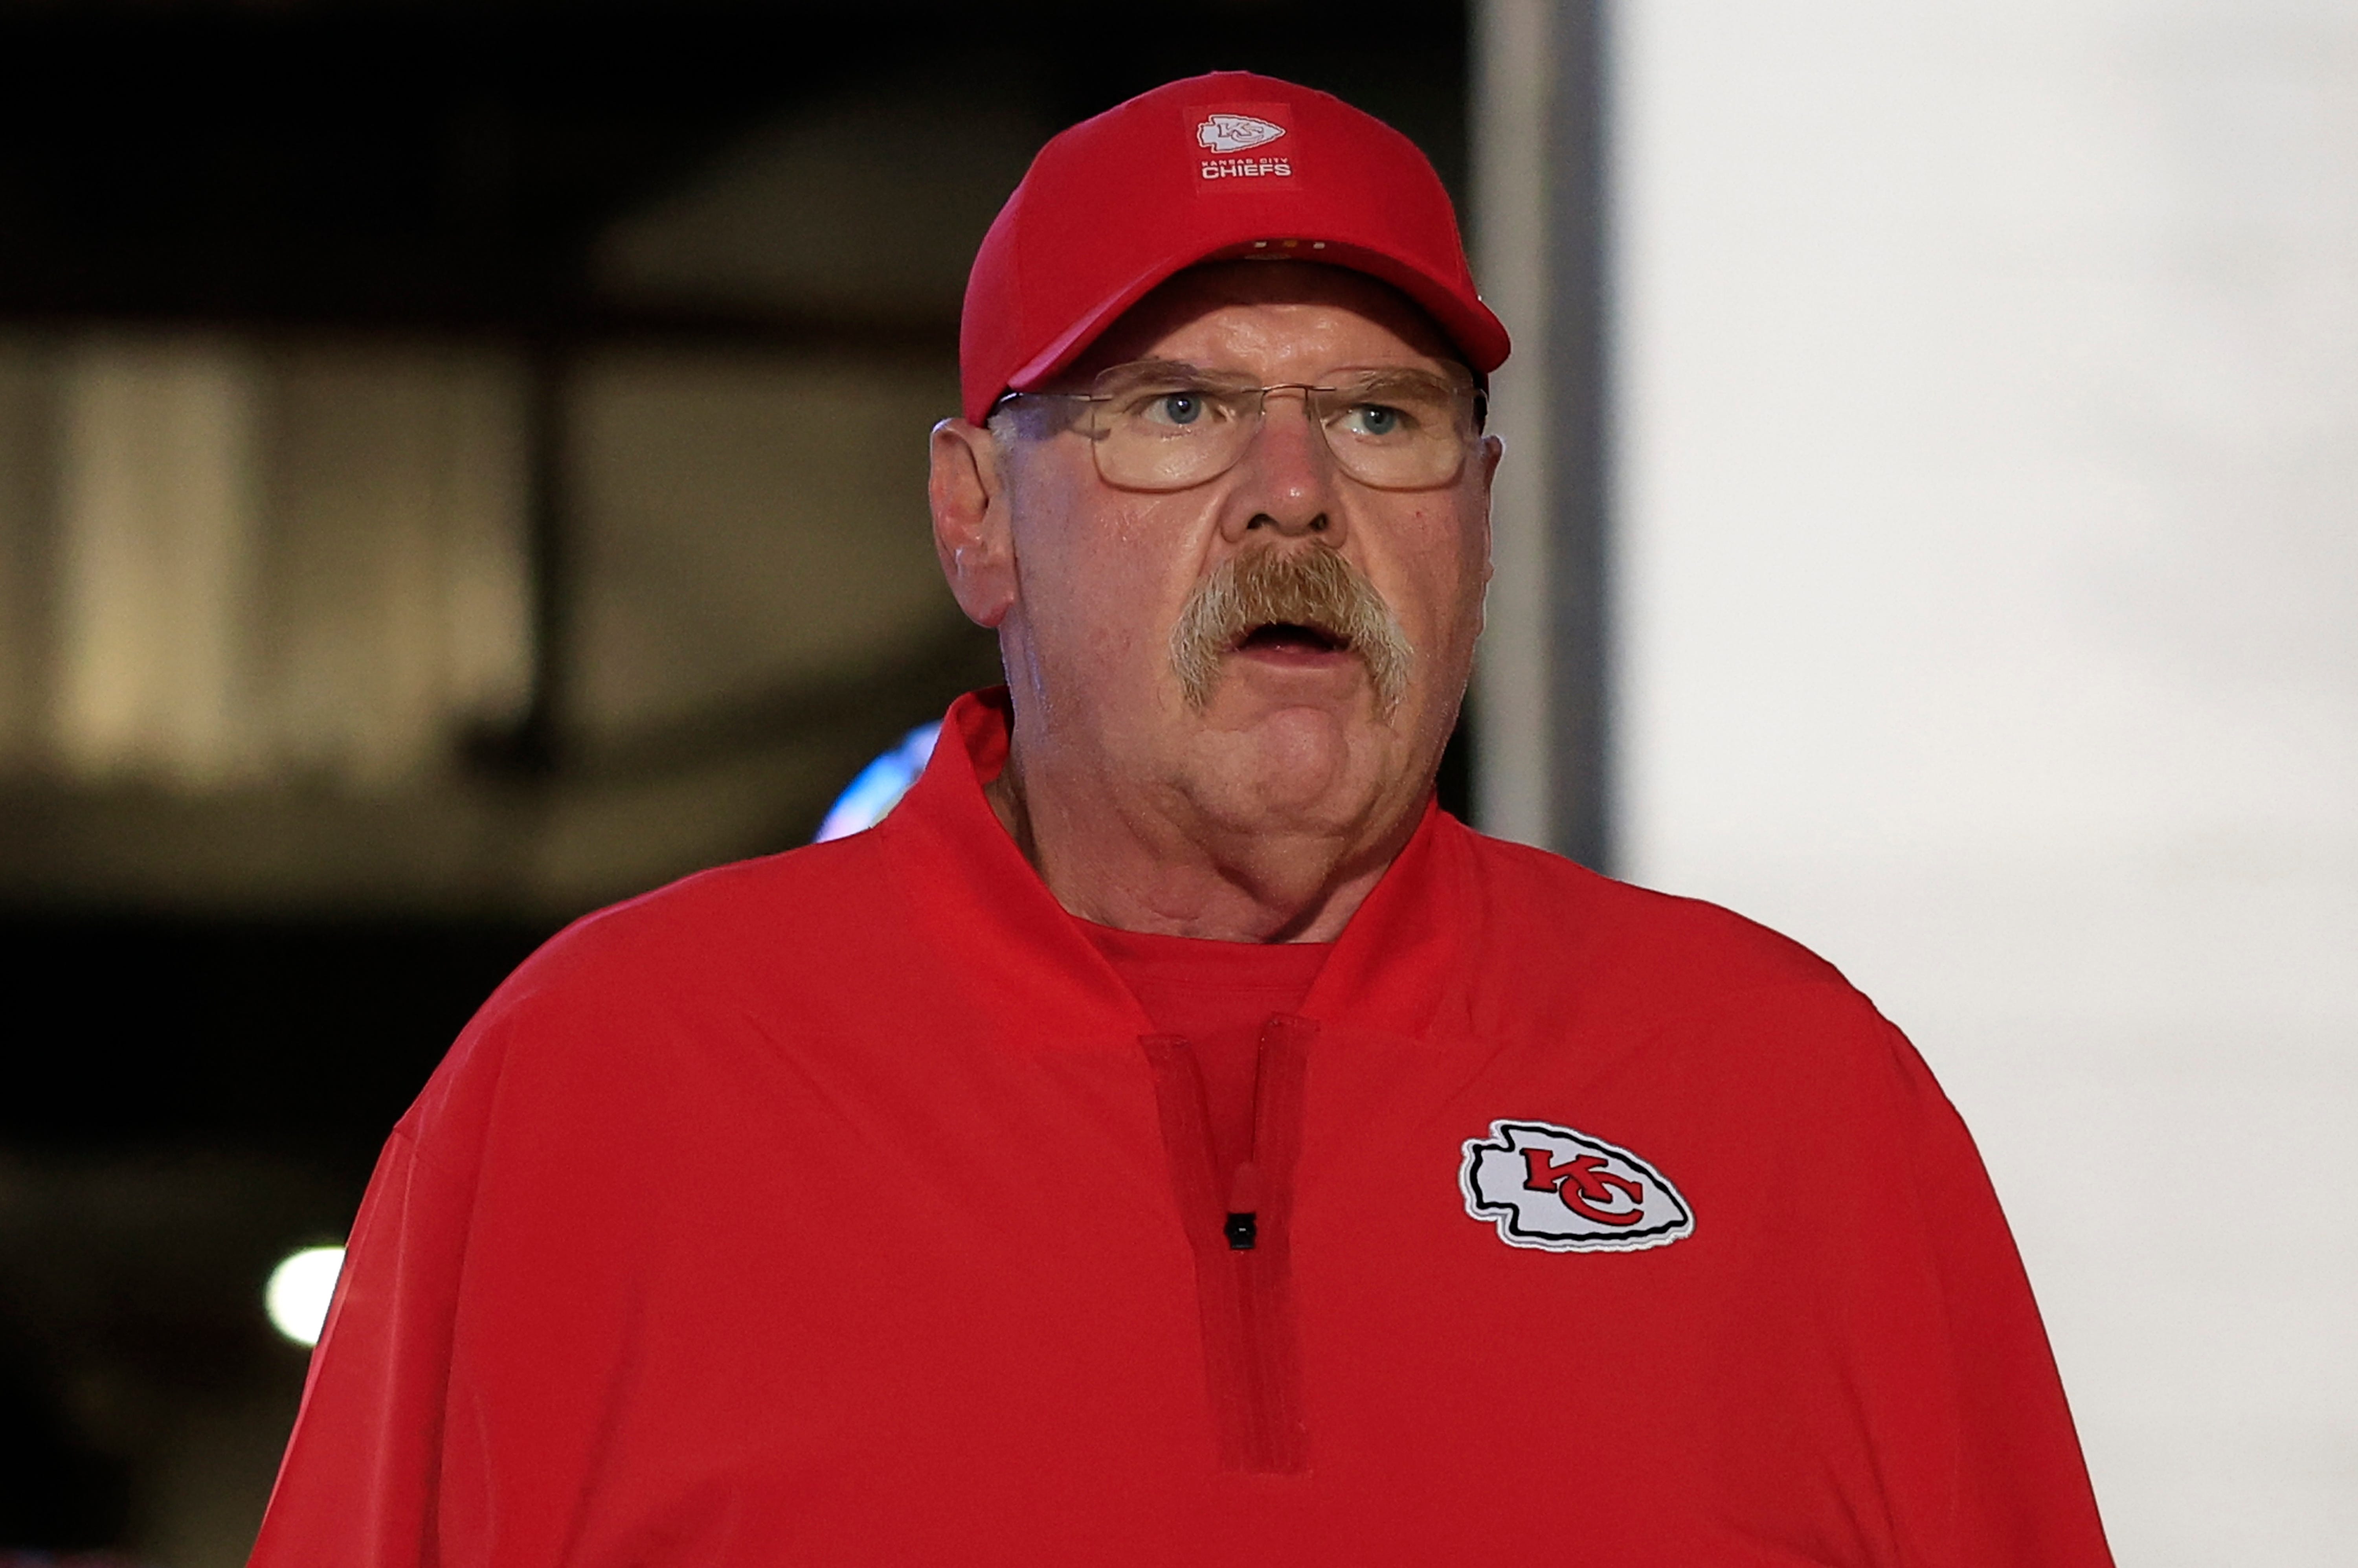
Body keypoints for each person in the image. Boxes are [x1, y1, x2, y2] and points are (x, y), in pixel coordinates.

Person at [248, 72, 2114, 1567]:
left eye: (1380, 418)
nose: (1291, 494)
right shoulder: (596, 1092)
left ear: (1480, 513)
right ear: (977, 517)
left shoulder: (1794, 1100)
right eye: (1178, 407)